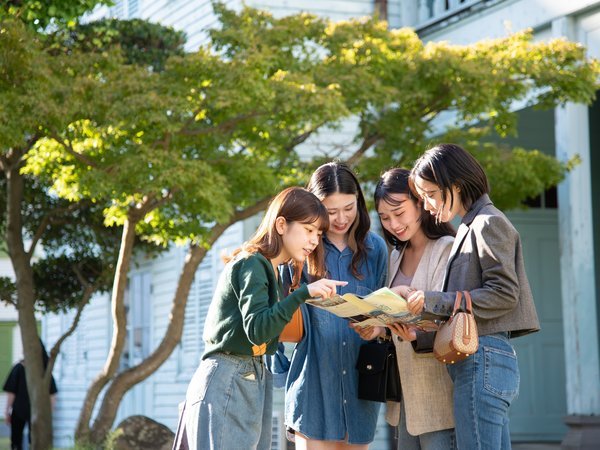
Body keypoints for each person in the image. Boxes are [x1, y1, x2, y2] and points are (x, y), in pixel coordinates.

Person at [172, 186, 347, 450]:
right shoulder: (252, 263)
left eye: (319, 234)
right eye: (308, 230)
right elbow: (257, 329)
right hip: (228, 374)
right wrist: (301, 295)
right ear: (281, 224)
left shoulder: (272, 270)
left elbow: (268, 336)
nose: (314, 240)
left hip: (250, 374)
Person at [403, 143, 540, 450]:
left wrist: (434, 299)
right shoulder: (469, 226)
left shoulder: (488, 222)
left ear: (455, 184)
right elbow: (465, 312)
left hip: (483, 360)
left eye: (430, 194)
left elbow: (505, 293)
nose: (426, 205)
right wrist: (417, 334)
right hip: (478, 360)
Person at [284, 162, 388, 449]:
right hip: (313, 386)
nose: (341, 219)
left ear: (359, 203)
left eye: (349, 208)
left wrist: (377, 328)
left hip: (360, 386)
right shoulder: (301, 249)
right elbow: (277, 312)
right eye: (331, 211)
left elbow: (385, 313)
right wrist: (282, 372)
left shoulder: (376, 249)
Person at [355, 167, 456, 449]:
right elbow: (394, 317)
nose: (393, 224)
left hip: (438, 393)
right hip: (403, 396)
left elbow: (445, 317)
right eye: (385, 217)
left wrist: (415, 333)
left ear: (421, 204)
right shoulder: (395, 256)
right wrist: (375, 327)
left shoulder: (446, 248)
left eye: (399, 213)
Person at [3, 340, 58, 450]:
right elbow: (52, 396)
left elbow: (11, 393)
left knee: (17, 442)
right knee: (30, 442)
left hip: (22, 410)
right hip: (34, 411)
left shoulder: (19, 368)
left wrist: (7, 411)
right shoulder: (44, 371)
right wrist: (49, 414)